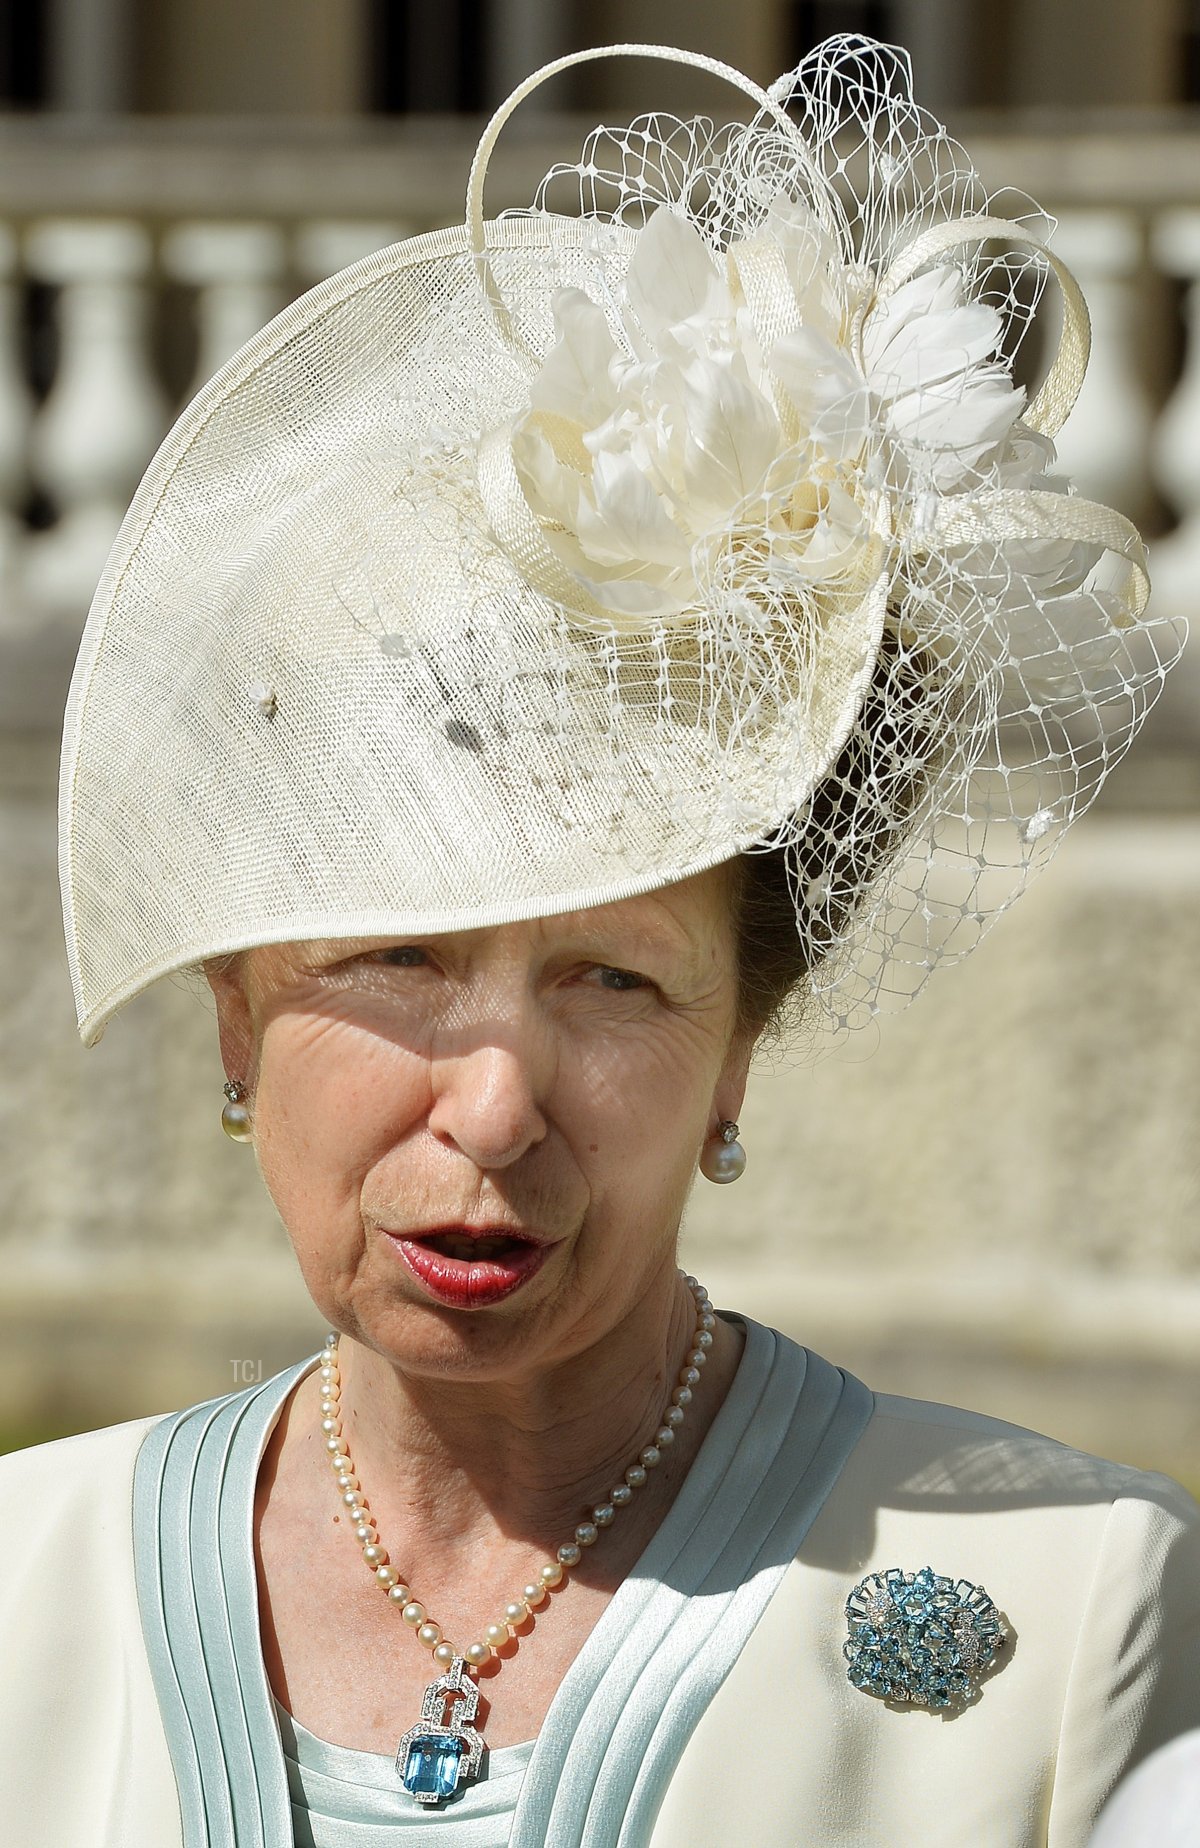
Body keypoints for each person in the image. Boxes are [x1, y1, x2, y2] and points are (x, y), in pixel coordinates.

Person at [3, 35, 1197, 1848]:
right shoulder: (26, 1596)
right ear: (234, 1017)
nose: (493, 1106)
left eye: (614, 981)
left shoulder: (1069, 1617)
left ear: (738, 1049)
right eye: (394, 961)